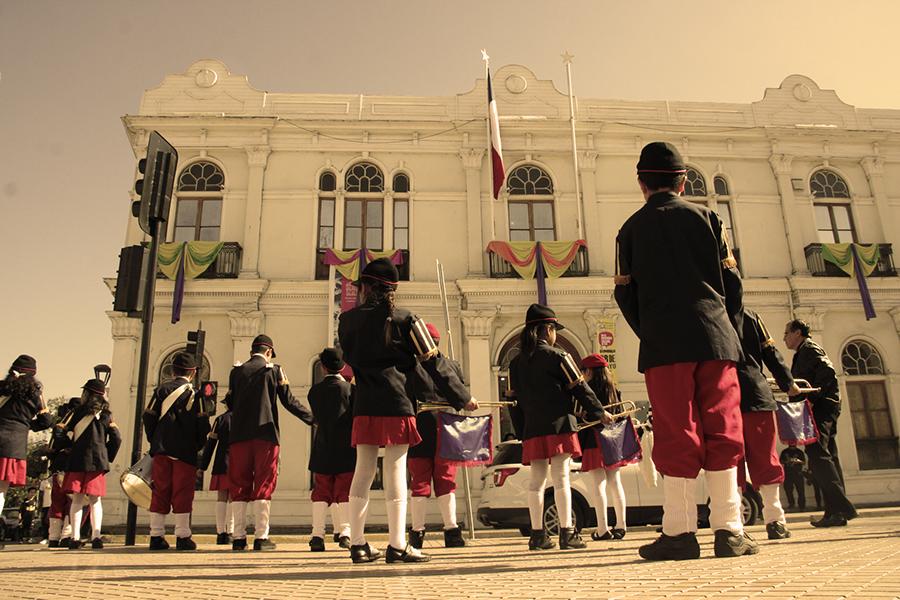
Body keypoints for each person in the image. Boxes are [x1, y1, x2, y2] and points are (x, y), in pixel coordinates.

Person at [614, 141, 757, 560]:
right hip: (715, 339)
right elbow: (733, 287)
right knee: (722, 427)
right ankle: (729, 529)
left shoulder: (629, 231)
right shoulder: (711, 219)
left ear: (641, 183)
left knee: (676, 431)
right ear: (683, 181)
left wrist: (653, 330)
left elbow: (626, 297)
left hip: (664, 344)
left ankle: (678, 532)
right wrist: (724, 327)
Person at [338, 258, 476, 564]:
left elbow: (351, 356)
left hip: (365, 404)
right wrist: (462, 397)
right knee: (396, 470)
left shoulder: (346, 321)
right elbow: (434, 362)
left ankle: (358, 544)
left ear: (366, 288)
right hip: (396, 402)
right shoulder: (406, 320)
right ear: (391, 290)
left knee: (362, 471)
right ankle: (397, 544)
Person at [508, 304, 611, 552]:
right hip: (560, 425)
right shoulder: (560, 356)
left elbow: (513, 403)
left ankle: (537, 535)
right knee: (562, 479)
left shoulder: (515, 364)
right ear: (548, 329)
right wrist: (600, 412)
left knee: (536, 482)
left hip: (533, 428)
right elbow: (580, 388)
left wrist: (523, 431)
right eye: (554, 329)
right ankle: (567, 533)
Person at [227, 334, 314, 551]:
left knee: (239, 485)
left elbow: (230, 401)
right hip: (265, 435)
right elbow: (289, 401)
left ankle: (238, 537)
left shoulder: (236, 371)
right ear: (268, 352)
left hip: (238, 436)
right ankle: (261, 536)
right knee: (264, 484)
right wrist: (312, 419)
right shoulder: (273, 370)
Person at [734, 309, 802, 540]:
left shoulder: (706, 313)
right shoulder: (751, 317)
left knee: (728, 462)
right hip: (755, 393)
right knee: (765, 457)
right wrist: (788, 382)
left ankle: (732, 525)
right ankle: (775, 520)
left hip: (723, 398)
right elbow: (769, 351)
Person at [784, 319, 857, 527]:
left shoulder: (810, 349)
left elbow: (827, 376)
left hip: (822, 408)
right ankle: (835, 512)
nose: (785, 338)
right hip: (824, 407)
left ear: (798, 332)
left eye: (787, 333)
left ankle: (842, 507)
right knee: (828, 456)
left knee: (816, 453)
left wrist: (815, 401)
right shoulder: (803, 352)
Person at [406, 323, 466, 550]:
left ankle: (417, 532)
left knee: (419, 481)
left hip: (420, 426)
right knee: (446, 480)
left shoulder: (410, 368)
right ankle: (451, 531)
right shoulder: (452, 366)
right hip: (447, 426)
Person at [143, 352, 210, 551]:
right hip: (185, 451)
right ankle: (182, 535)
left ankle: (156, 535)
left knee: (160, 490)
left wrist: (155, 439)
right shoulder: (195, 394)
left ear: (173, 371)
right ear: (192, 373)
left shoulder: (161, 391)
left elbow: (148, 416)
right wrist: (197, 445)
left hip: (162, 449)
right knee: (183, 492)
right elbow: (202, 424)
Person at [60, 378, 122, 550]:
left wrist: (67, 449)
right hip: (97, 461)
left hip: (78, 459)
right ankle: (96, 537)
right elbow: (117, 438)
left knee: (77, 500)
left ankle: (75, 537)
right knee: (95, 501)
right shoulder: (107, 415)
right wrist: (106, 455)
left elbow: (64, 434)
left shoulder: (76, 412)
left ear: (86, 393)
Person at [305, 347, 356, 552]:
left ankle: (317, 535)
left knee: (320, 491)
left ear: (323, 368)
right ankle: (345, 532)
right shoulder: (350, 390)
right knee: (344, 491)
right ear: (343, 366)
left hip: (323, 444)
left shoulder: (314, 391)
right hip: (345, 445)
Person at [0, 355, 52, 551]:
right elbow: (47, 421)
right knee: (1, 491)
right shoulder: (35, 393)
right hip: (13, 444)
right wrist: (26, 425)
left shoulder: (2, 387)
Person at [578, 354, 628, 541]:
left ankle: (602, 528)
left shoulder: (588, 391)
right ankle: (621, 525)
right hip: (612, 440)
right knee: (615, 483)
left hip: (593, 440)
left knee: (598, 484)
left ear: (589, 371)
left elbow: (585, 417)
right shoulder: (614, 390)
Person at [200, 392, 235, 545]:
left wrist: (203, 466)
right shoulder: (245, 419)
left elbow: (210, 445)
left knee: (221, 498)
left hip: (221, 462)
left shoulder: (220, 419)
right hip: (238, 463)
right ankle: (232, 531)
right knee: (235, 499)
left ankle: (221, 533)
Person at [780, 443, 807, 511]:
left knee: (800, 490)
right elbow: (780, 461)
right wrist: (787, 461)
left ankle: (802, 506)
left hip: (798, 473)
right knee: (788, 490)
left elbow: (804, 462)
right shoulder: (784, 451)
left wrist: (797, 461)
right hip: (788, 474)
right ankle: (791, 504)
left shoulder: (799, 452)